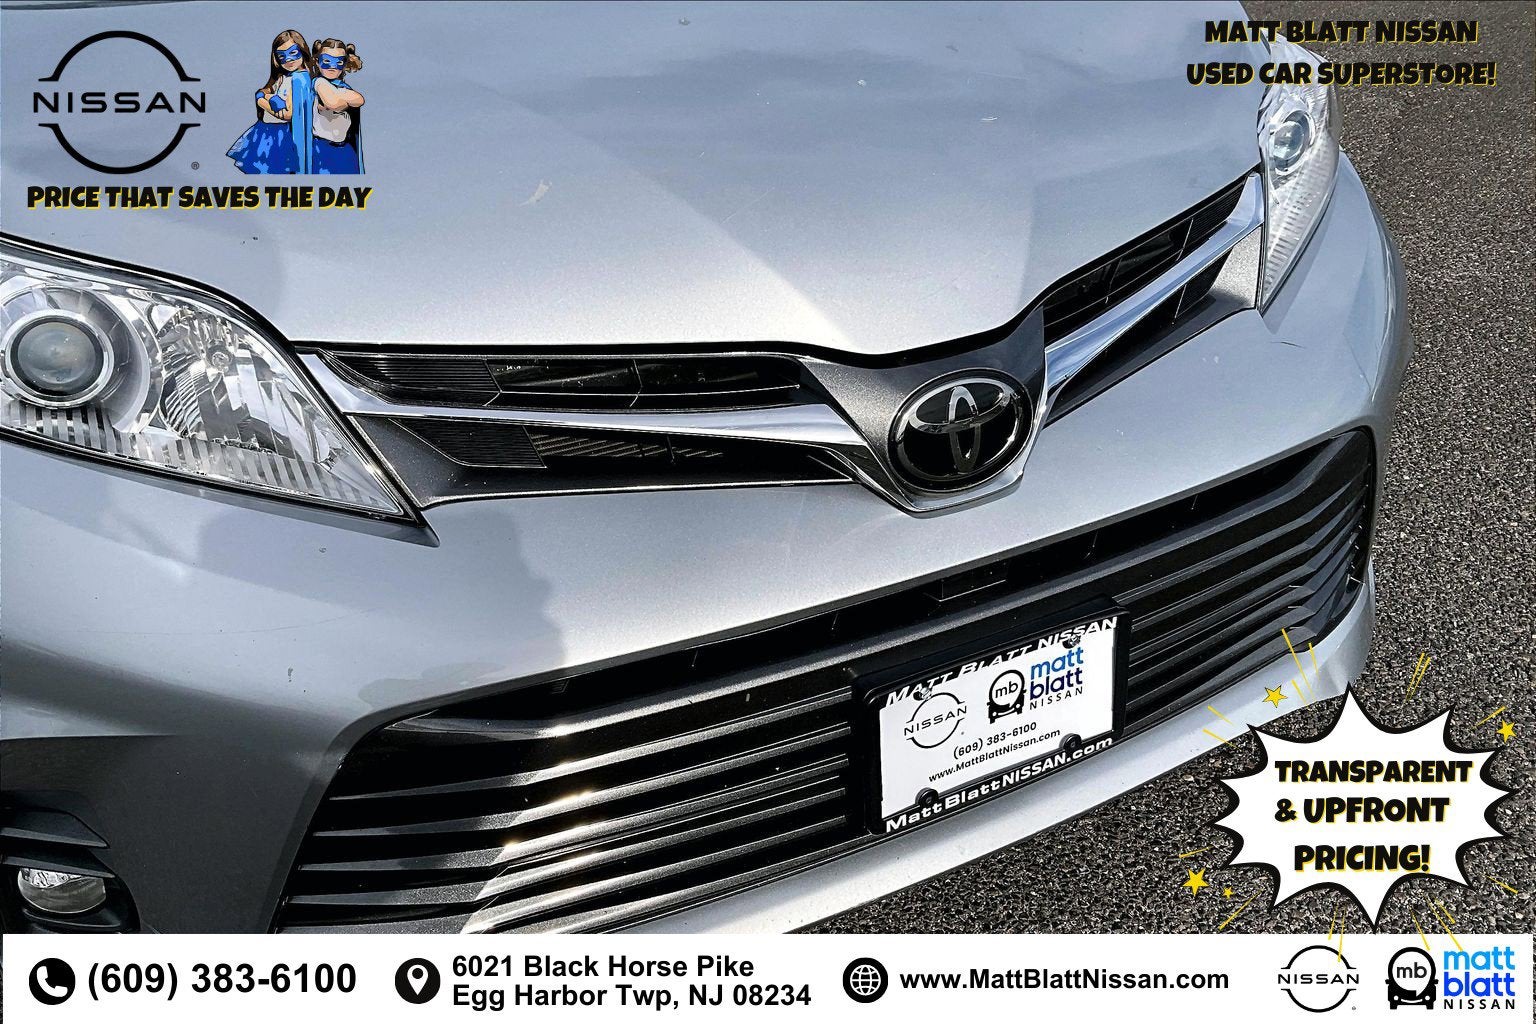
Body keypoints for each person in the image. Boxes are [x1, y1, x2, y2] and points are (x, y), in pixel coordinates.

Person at [227, 30, 316, 174]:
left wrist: (261, 101)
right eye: (282, 56)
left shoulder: (299, 79)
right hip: (266, 132)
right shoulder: (285, 76)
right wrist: (268, 96)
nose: (288, 59)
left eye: (293, 53)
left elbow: (288, 114)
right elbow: (268, 90)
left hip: (280, 136)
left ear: (302, 50)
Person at [311, 39, 366, 174]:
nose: (332, 67)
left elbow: (359, 99)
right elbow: (333, 103)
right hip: (321, 148)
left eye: (339, 62)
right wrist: (344, 100)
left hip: (343, 147)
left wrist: (340, 96)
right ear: (317, 62)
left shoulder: (342, 86)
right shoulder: (319, 82)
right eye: (327, 61)